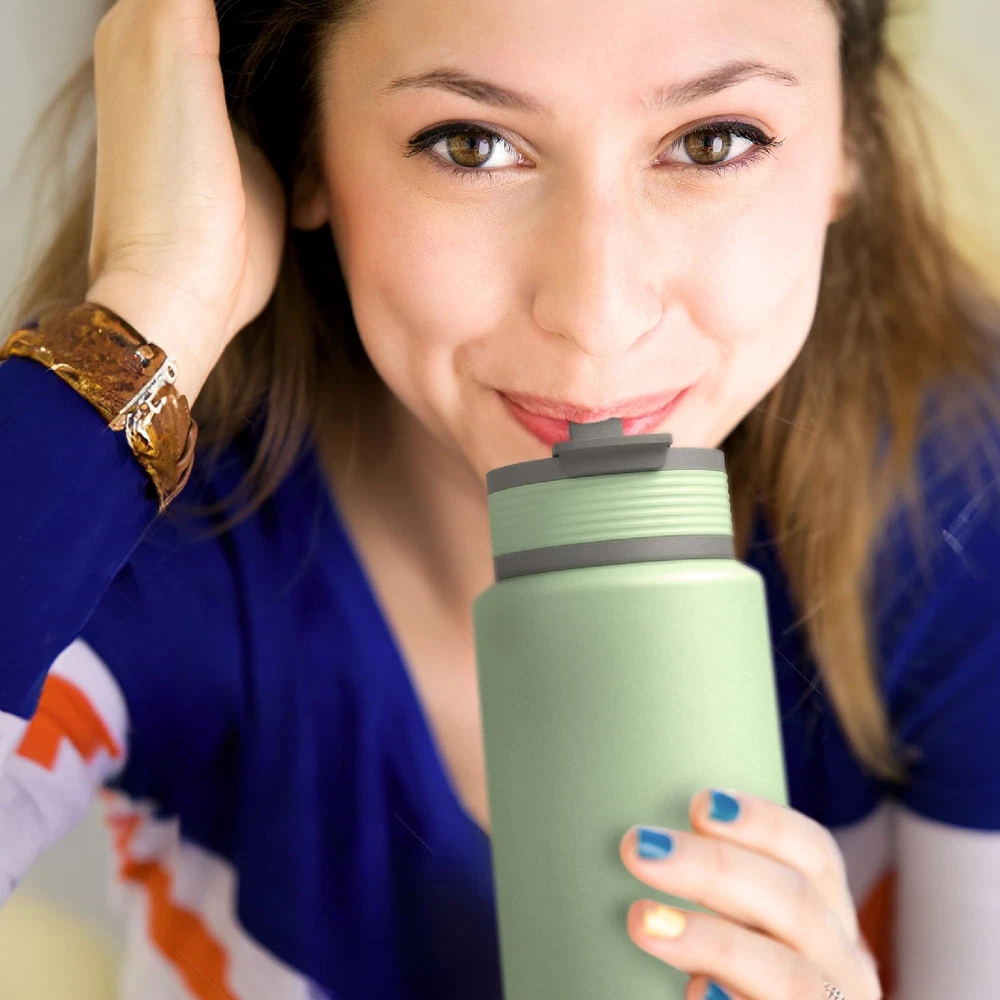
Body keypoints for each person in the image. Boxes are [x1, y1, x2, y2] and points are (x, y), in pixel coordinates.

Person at [1, 0, 998, 996]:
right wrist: (154, 300)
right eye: (469, 145)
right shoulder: (126, 534)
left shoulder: (965, 519)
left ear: (849, 136)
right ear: (304, 150)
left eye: (713, 141)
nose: (598, 314)